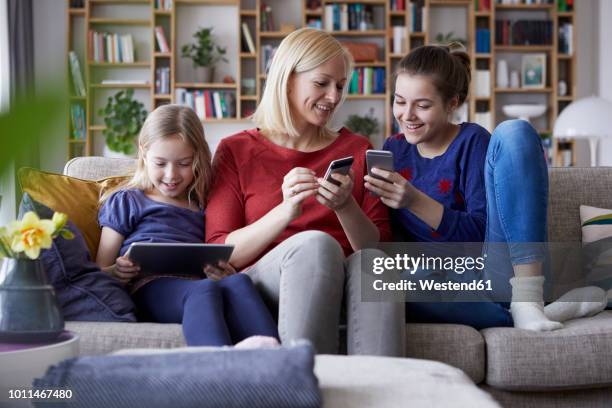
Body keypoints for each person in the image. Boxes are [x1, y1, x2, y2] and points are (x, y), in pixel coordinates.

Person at [364, 44, 608, 331]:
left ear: (452, 103)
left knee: (514, 131)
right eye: (400, 101)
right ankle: (543, 312)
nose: (407, 115)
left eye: (423, 105)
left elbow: (481, 233)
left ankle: (527, 300)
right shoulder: (394, 148)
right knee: (387, 284)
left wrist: (414, 201)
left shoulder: (473, 141)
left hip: (494, 270)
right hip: (440, 281)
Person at [206, 27, 404, 355]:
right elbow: (219, 249)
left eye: (340, 86)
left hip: (345, 275)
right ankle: (305, 383)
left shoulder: (357, 148)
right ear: (288, 79)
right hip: (269, 278)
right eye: (321, 83)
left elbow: (376, 246)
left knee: (377, 265)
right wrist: (284, 211)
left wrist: (345, 206)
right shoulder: (235, 150)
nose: (333, 97)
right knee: (315, 245)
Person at [96, 104, 279, 347]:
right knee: (203, 291)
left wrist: (221, 272)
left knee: (238, 282)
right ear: (144, 153)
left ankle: (278, 360)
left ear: (197, 158)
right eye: (160, 163)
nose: (171, 175)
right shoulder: (128, 200)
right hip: (148, 288)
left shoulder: (202, 204)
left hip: (196, 285)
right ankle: (214, 370)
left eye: (183, 163)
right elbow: (98, 269)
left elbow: (214, 253)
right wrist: (116, 272)